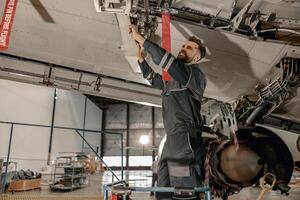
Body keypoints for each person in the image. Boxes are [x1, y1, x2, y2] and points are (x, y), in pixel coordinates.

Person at [129, 24, 207, 199]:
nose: (183, 48)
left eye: (189, 47)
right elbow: (155, 80)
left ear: (197, 57)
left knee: (183, 188)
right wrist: (141, 60)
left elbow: (166, 60)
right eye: (183, 46)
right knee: (162, 186)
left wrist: (142, 39)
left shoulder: (194, 74)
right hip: (172, 138)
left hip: (184, 136)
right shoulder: (176, 80)